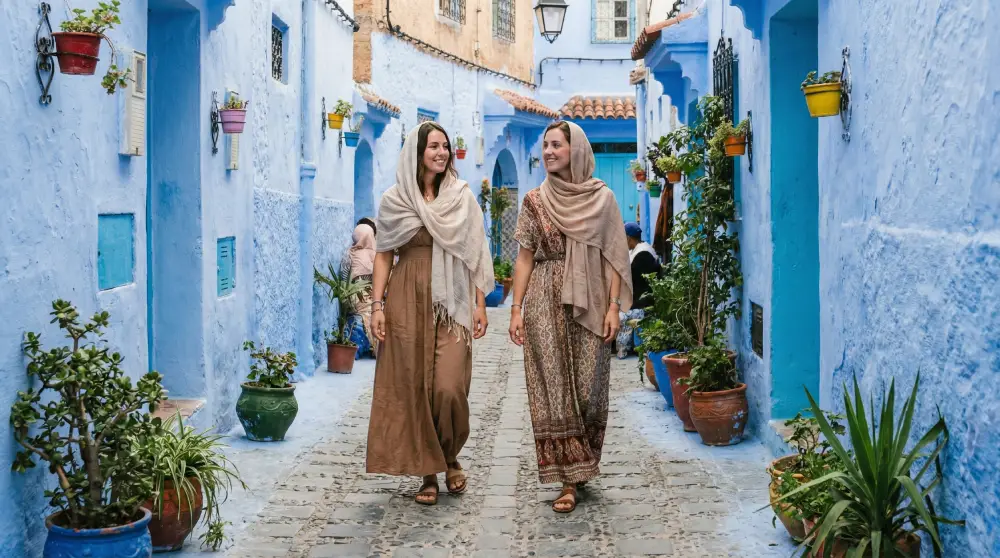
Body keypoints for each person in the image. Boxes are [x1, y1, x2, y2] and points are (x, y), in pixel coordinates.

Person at [507, 121, 633, 514]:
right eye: (545, 146)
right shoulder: (533, 201)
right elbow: (525, 256)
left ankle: (583, 465)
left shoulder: (603, 199)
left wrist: (614, 306)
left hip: (592, 298)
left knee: (587, 384)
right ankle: (566, 478)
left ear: (575, 150)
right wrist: (516, 308)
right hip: (544, 299)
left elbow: (615, 257)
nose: (548, 152)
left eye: (556, 145)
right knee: (555, 388)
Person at [366, 122, 494, 506]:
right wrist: (377, 305)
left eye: (445, 147)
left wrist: (480, 302)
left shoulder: (461, 196)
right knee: (414, 385)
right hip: (406, 296)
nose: (441, 153)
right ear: (417, 152)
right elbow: (384, 254)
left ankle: (450, 453)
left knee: (448, 386)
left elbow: (475, 251)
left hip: (451, 303)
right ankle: (429, 471)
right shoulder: (395, 200)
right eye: (433, 146)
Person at [615, 222, 662, 358]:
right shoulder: (638, 250)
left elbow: (635, 283)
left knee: (619, 315)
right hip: (638, 299)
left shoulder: (643, 255)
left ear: (628, 238)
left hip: (642, 304)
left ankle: (622, 350)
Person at [340, 223, 378, 357]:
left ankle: (356, 350)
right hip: (373, 296)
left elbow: (344, 280)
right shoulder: (376, 256)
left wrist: (345, 300)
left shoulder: (349, 254)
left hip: (354, 296)